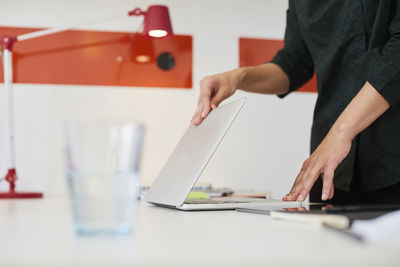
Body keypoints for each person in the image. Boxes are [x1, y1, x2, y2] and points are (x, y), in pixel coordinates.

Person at [191, 0, 400, 204]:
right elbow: (294, 62)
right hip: (331, 169)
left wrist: (341, 132)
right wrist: (237, 78)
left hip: (391, 158)